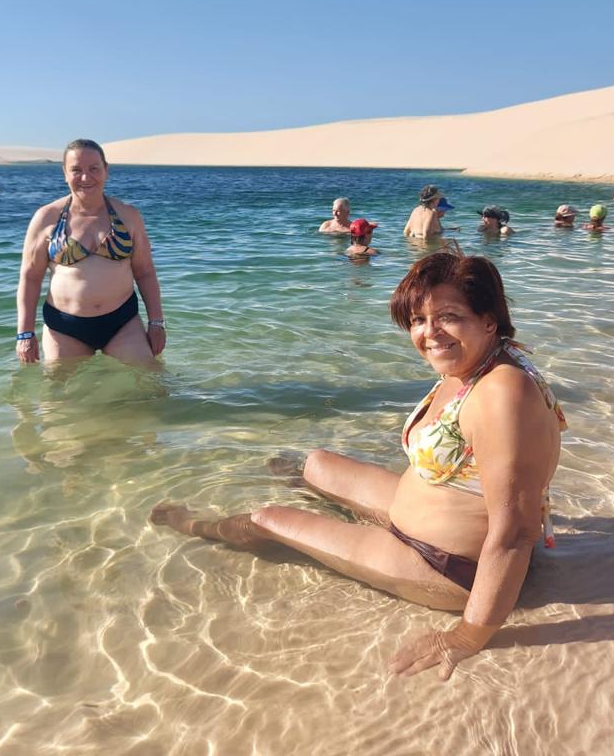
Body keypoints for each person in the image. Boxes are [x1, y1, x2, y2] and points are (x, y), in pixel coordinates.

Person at [152, 251, 566, 680]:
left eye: (448, 316)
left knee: (267, 519)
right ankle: (322, 496)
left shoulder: (502, 394)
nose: (430, 333)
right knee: (316, 463)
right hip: (426, 510)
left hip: (448, 565)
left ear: (489, 320)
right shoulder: (479, 362)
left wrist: (467, 636)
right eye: (418, 320)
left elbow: (516, 532)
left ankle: (196, 525)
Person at [16, 138, 166, 364]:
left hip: (122, 323)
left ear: (106, 171)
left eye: (94, 169)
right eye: (76, 170)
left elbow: (144, 272)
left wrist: (156, 323)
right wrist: (25, 334)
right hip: (64, 328)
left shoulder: (129, 216)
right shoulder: (46, 218)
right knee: (58, 387)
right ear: (65, 173)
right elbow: (30, 277)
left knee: (151, 381)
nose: (85, 177)